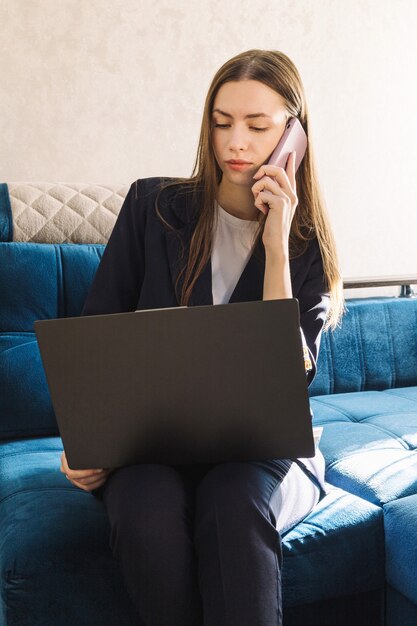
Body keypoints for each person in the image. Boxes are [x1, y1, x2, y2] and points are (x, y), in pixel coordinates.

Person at [60, 49, 344, 626]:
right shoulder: (152, 207)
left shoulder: (306, 245)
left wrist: (274, 245)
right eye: (221, 122)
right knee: (144, 512)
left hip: (258, 455)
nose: (235, 142)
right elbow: (95, 338)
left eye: (258, 126)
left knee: (233, 504)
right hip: (150, 448)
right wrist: (85, 443)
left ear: (294, 135)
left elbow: (286, 379)